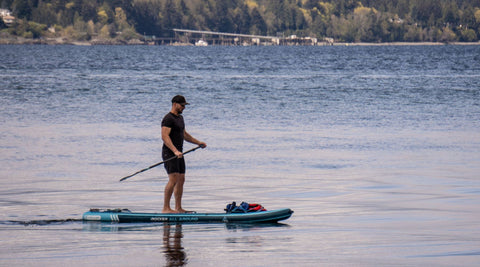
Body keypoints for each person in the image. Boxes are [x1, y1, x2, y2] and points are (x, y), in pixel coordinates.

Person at [161, 95, 206, 213]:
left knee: (181, 179)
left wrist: (198, 143)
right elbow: (164, 137)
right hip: (170, 153)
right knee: (173, 179)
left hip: (180, 153)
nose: (184, 108)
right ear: (175, 104)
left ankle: (178, 208)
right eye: (182, 105)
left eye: (184, 105)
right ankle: (166, 208)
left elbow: (185, 135)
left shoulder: (180, 118)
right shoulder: (168, 118)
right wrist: (175, 150)